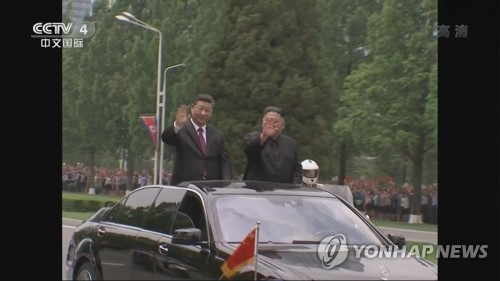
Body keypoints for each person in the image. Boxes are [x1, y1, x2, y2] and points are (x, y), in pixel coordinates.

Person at [161, 94, 232, 185]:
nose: (203, 113)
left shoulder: (217, 135)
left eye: (207, 110)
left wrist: (226, 183)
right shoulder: (182, 129)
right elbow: (166, 138)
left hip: (211, 188)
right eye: (200, 108)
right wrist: (178, 125)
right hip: (186, 187)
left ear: (211, 113)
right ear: (192, 108)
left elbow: (224, 162)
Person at [242, 106, 302, 184]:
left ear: (283, 125)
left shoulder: (291, 144)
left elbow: (296, 169)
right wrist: (264, 136)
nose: (270, 124)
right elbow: (249, 149)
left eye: (275, 121)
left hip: (283, 192)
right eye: (267, 120)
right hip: (256, 192)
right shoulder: (252, 138)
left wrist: (294, 188)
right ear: (262, 121)